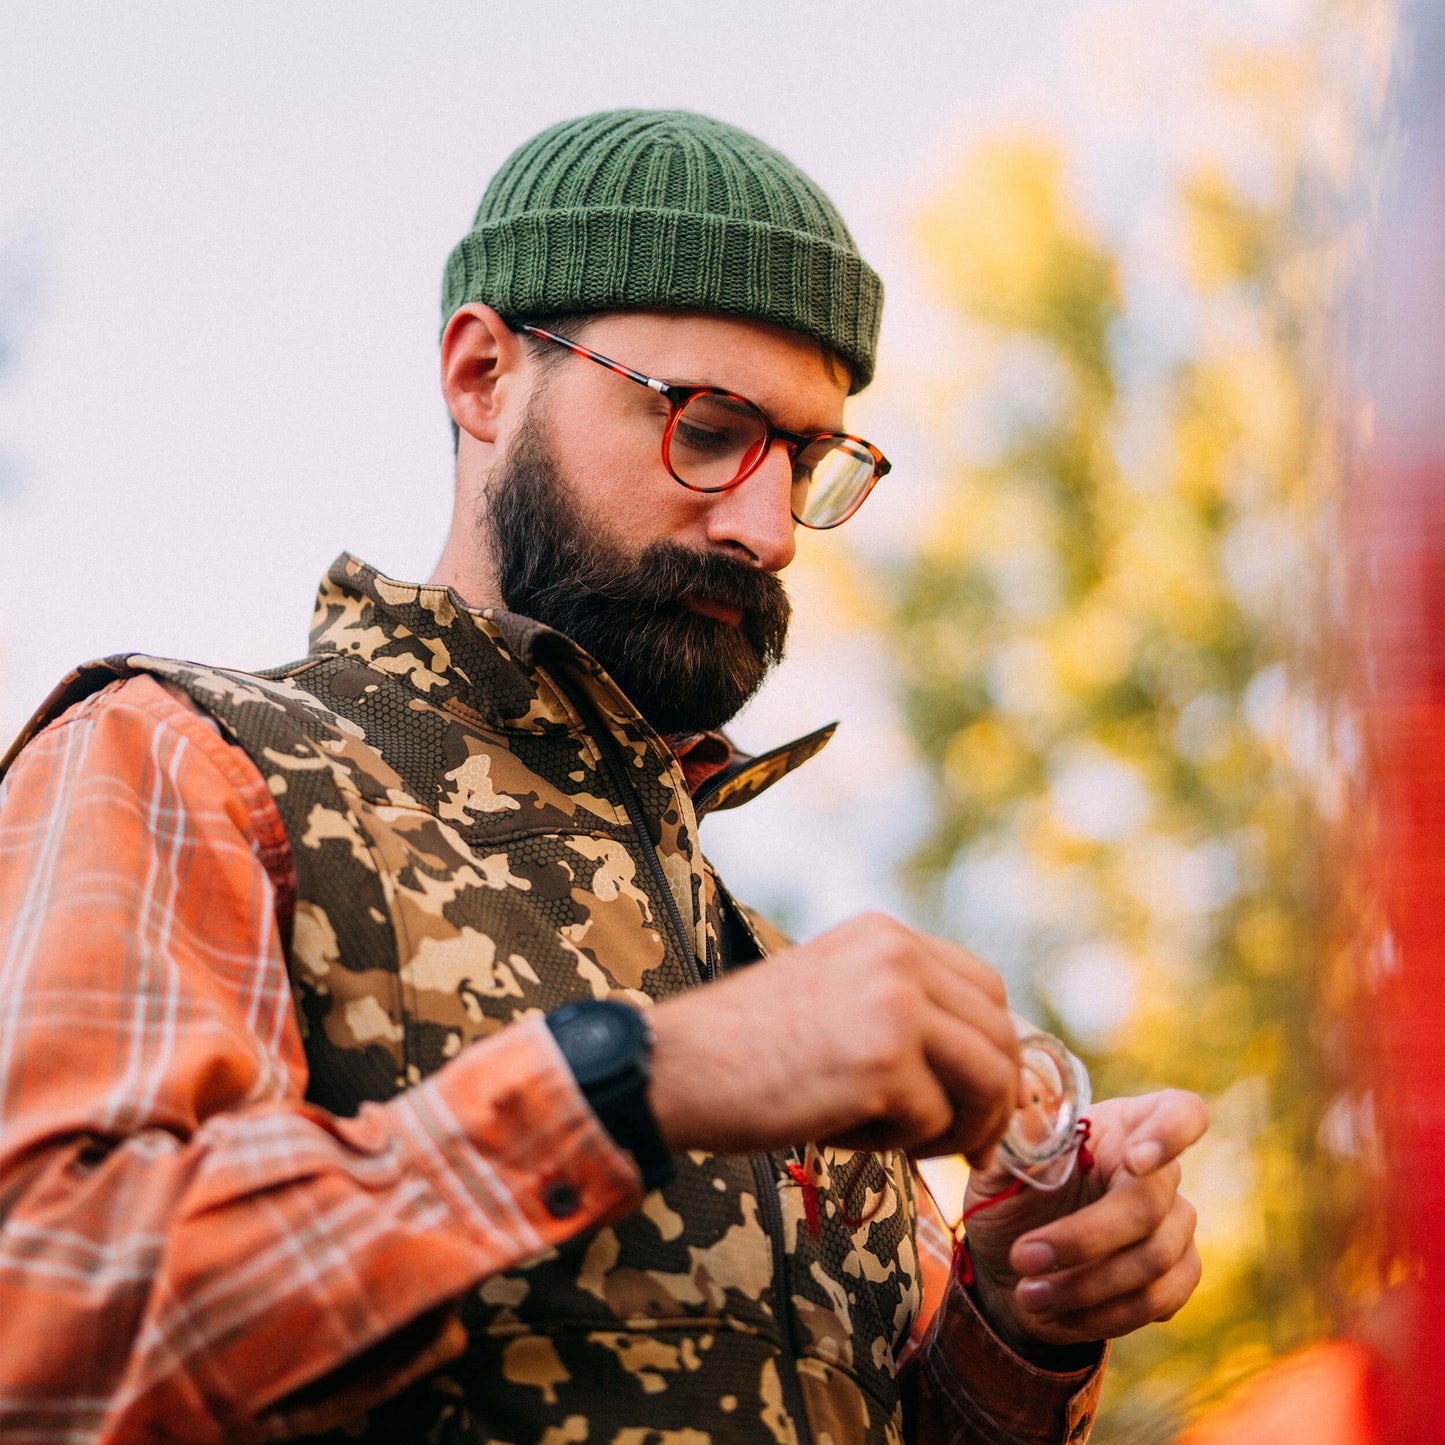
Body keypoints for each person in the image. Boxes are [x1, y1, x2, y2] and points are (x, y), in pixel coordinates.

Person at [0, 110, 1205, 1444]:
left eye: (803, 460)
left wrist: (1020, 1315)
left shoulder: (772, 975)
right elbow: (45, 1337)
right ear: (480, 375)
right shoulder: (193, 757)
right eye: (707, 426)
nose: (766, 527)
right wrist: (631, 1083)